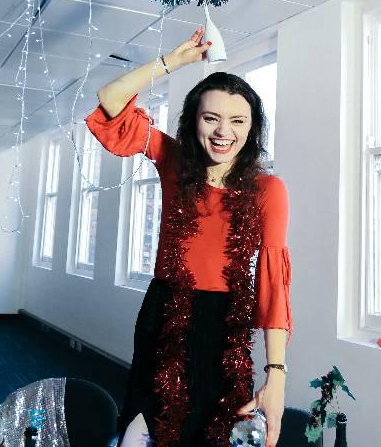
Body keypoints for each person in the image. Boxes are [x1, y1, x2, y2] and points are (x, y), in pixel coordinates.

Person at [85, 27, 292, 447]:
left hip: (224, 328)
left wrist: (277, 375)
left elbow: (273, 285)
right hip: (164, 313)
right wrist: (171, 62)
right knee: (143, 433)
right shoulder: (175, 160)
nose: (223, 131)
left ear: (252, 129)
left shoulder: (268, 191)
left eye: (238, 120)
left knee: (212, 433)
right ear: (193, 120)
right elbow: (110, 103)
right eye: (210, 117)